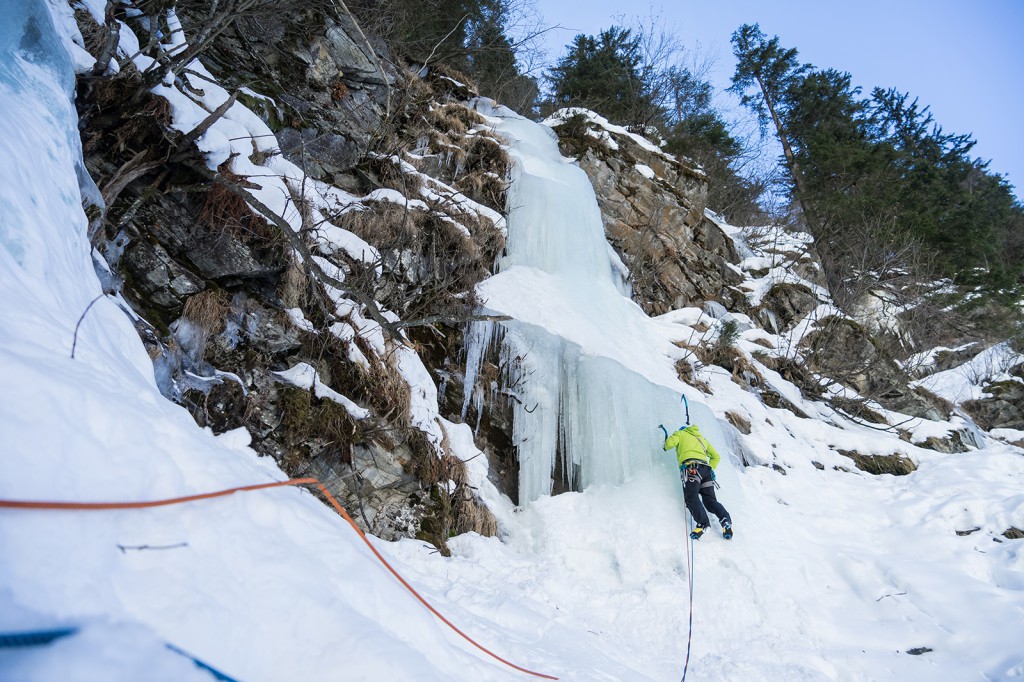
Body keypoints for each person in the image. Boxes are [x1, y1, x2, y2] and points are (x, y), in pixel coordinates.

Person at [663, 423, 733, 540]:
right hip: (706, 471)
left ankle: (703, 524)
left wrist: (666, 442)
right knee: (710, 501)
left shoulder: (680, 434)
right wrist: (711, 468)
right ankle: (725, 520)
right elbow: (716, 456)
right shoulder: (701, 438)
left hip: (692, 469)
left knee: (691, 497)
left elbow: (668, 445)